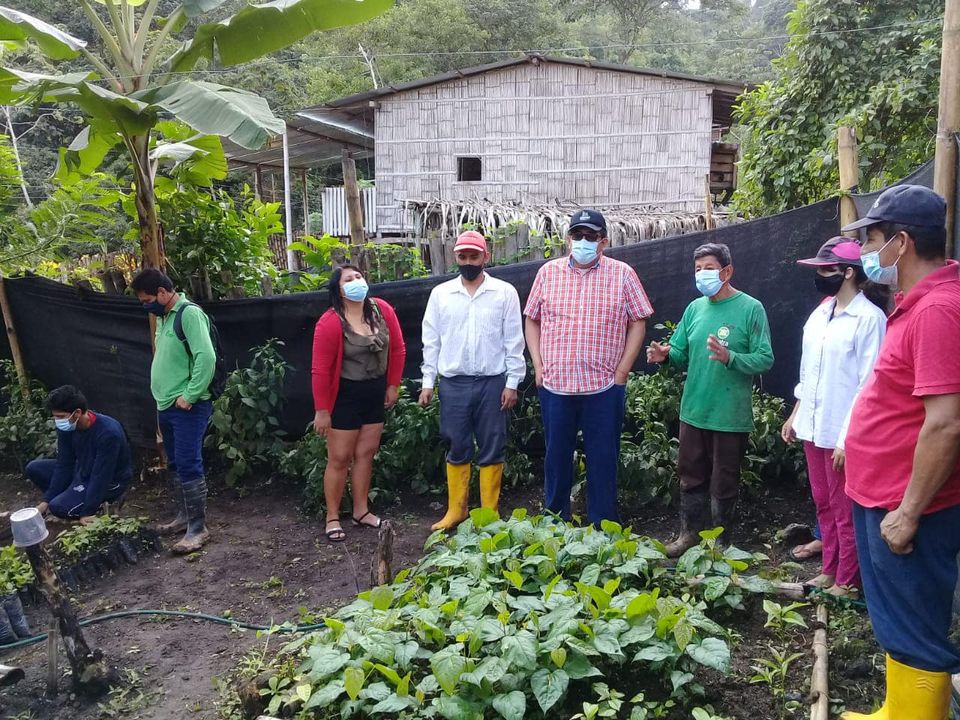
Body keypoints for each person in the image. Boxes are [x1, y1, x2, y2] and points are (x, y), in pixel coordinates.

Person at [837, 185, 960, 720]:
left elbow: (947, 424)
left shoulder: (938, 312)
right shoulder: (921, 305)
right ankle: (896, 710)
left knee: (914, 630)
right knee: (897, 621)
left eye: (873, 240)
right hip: (885, 496)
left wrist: (908, 513)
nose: (867, 252)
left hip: (909, 507)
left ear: (901, 242)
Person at [524, 209, 653, 526]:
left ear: (603, 241)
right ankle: (555, 522)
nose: (583, 241)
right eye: (577, 235)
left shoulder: (622, 274)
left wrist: (622, 371)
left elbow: (638, 320)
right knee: (556, 456)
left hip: (604, 386)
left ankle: (603, 524)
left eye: (590, 236)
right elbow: (532, 319)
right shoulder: (548, 273)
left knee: (603, 457)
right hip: (556, 384)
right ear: (568, 239)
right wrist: (538, 364)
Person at [647, 242, 773, 556]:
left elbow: (764, 358)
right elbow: (680, 353)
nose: (702, 274)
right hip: (694, 410)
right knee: (690, 476)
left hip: (729, 415)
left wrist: (731, 357)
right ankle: (688, 535)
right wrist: (665, 355)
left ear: (727, 271)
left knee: (724, 481)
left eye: (709, 268)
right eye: (698, 269)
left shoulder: (751, 308)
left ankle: (721, 543)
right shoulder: (694, 309)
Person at [781, 237, 887, 599]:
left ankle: (848, 581)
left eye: (827, 269)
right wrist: (795, 414)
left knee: (845, 510)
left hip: (843, 432)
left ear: (848, 273)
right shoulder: (821, 313)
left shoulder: (869, 319)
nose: (820, 275)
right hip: (813, 426)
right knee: (823, 502)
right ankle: (829, 571)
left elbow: (868, 385)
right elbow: (808, 370)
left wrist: (847, 439)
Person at [418, 231, 525, 530]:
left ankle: (489, 513)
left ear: (485, 257)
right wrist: (428, 382)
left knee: (493, 443)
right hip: (454, 382)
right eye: (462, 256)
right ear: (455, 257)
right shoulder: (441, 294)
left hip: (493, 382)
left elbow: (513, 341)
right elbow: (431, 340)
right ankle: (457, 510)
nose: (468, 262)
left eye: (473, 256)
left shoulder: (504, 292)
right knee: (456, 442)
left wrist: (512, 383)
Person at [312, 265, 405, 542]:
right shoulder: (330, 322)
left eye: (359, 277)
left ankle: (361, 511)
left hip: (374, 392)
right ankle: (332, 517)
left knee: (366, 453)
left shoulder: (382, 310)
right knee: (340, 458)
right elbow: (320, 369)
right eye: (348, 280)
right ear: (339, 290)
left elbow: (398, 348)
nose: (356, 281)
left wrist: (393, 385)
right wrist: (322, 411)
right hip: (345, 396)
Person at [131, 268, 216, 554]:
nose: (146, 306)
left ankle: (198, 528)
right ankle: (183, 517)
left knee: (189, 462)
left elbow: (206, 357)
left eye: (147, 300)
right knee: (176, 463)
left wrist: (190, 395)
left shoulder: (188, 314)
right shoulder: (164, 317)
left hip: (187, 405)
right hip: (167, 404)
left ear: (162, 292)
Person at [26, 385, 132, 522]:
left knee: (58, 507)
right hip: (83, 470)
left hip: (110, 479)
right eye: (55, 417)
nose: (58, 421)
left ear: (77, 412)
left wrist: (88, 511)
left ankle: (101, 503)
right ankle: (72, 496)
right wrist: (46, 500)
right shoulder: (68, 427)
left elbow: (101, 475)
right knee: (34, 468)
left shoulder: (108, 433)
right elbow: (64, 463)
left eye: (60, 416)